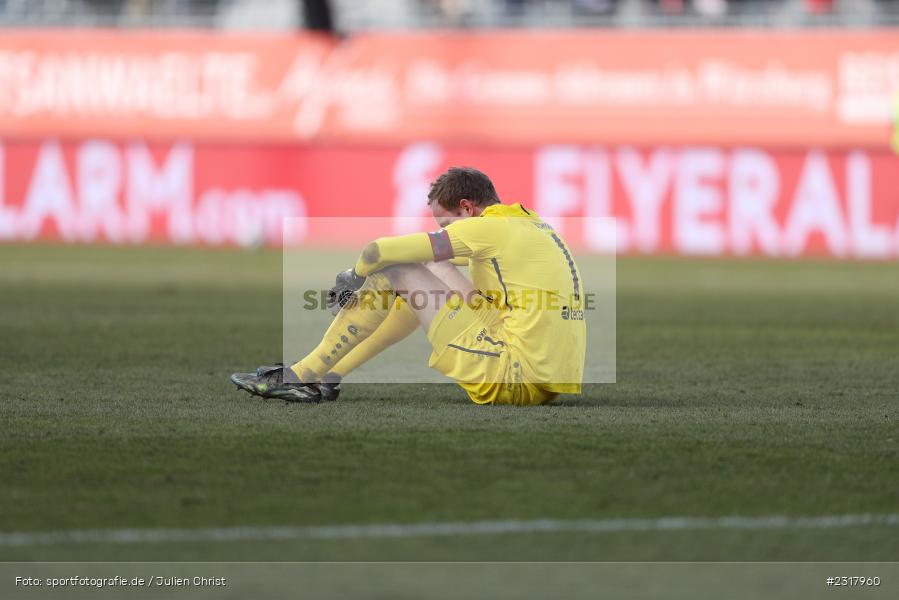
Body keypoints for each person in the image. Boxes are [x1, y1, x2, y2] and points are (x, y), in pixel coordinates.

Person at [231, 167, 586, 406]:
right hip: (545, 384)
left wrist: (351, 276)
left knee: (397, 269)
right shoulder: (531, 224)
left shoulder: (486, 229)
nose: (445, 232)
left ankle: (301, 375)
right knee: (420, 278)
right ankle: (326, 377)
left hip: (512, 376)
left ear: (467, 208)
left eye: (446, 224)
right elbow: (443, 273)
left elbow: (378, 250)